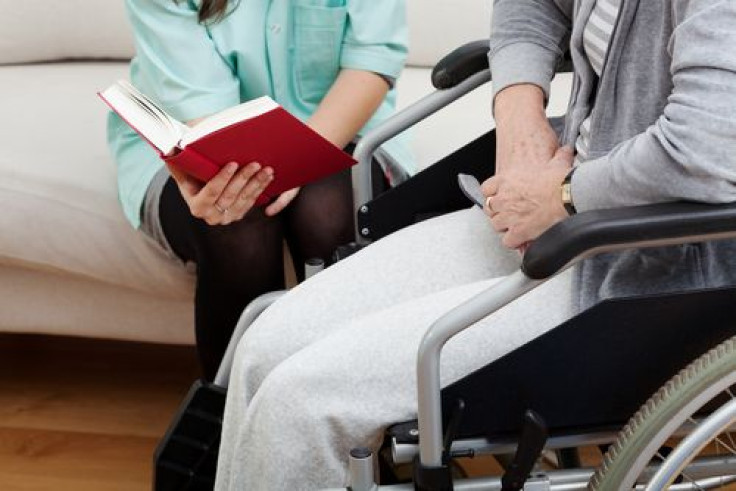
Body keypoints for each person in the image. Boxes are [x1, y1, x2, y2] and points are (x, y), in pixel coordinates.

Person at [216, 0, 736, 489]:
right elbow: (529, 6)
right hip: (555, 206)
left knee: (301, 403)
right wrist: (519, 123)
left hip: (646, 264)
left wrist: (563, 197)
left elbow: (706, 150)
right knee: (263, 346)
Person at [107, 0, 413, 380]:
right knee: (236, 218)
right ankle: (240, 420)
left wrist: (299, 159)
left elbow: (373, 57)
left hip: (339, 125)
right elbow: (200, 104)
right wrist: (227, 175)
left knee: (327, 210)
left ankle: (348, 404)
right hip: (196, 128)